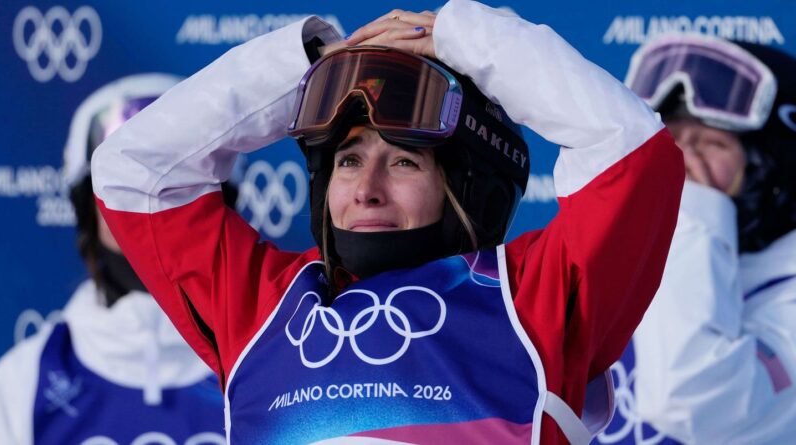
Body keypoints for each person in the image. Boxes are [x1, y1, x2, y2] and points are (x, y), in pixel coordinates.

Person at [90, 1, 684, 444]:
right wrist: (304, 68)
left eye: (403, 160)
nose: (367, 190)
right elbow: (135, 170)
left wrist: (468, 39)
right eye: (348, 160)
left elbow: (628, 149)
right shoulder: (259, 309)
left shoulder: (536, 298)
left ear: (469, 190)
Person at [0, 74, 227, 445]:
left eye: (174, 186)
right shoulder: (21, 384)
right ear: (87, 208)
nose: (146, 209)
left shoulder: (274, 364)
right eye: (123, 189)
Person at [604, 34, 796, 444]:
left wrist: (691, 211)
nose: (681, 162)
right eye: (669, 143)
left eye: (712, 143)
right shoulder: (617, 265)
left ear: (774, 169)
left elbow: (689, 395)